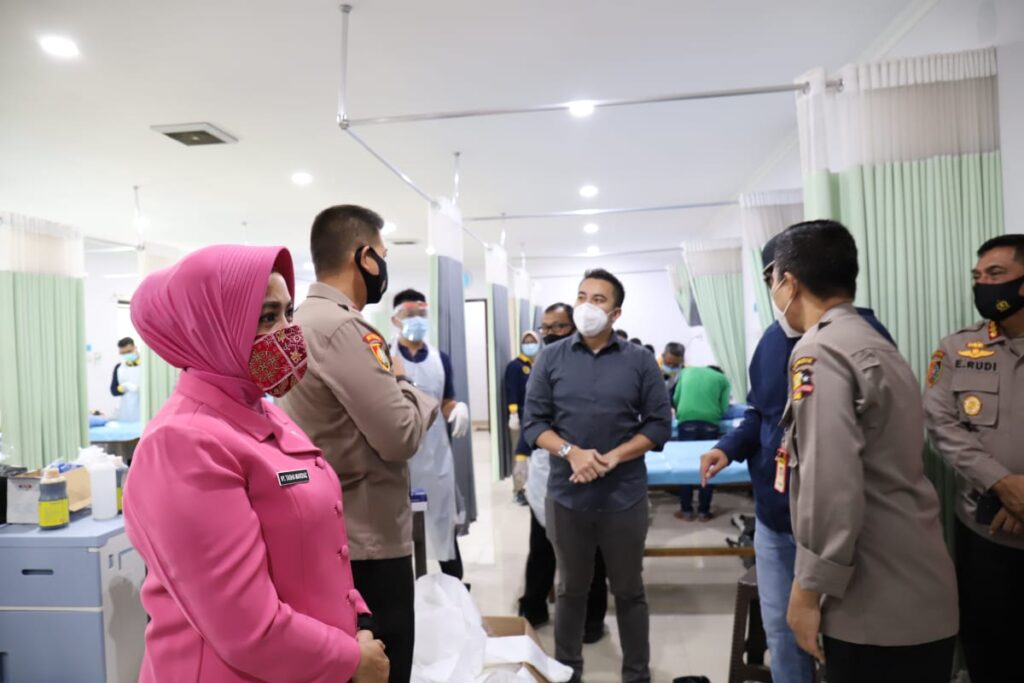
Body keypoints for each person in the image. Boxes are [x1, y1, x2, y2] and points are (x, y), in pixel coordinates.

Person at [123, 245, 388, 683]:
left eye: (288, 313)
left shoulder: (263, 413)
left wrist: (355, 621)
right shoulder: (182, 444)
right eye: (267, 317)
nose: (289, 333)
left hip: (309, 663)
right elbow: (245, 628)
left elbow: (314, 549)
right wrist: (352, 659)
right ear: (212, 329)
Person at [700, 233, 894, 683]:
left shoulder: (856, 341)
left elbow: (852, 452)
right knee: (782, 632)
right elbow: (760, 413)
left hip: (836, 526)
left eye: (772, 279)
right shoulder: (772, 342)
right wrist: (727, 448)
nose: (772, 290)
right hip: (774, 518)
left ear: (790, 279)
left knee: (843, 637)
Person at [769, 220, 957, 682]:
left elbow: (830, 481)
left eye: (773, 280)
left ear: (790, 282)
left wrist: (808, 589)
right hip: (919, 582)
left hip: (872, 597)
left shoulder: (819, 350)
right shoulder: (872, 340)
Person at [278, 205, 439, 683]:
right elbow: (400, 436)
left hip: (324, 532)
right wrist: (409, 387)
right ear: (365, 258)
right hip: (368, 541)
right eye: (383, 256)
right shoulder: (344, 328)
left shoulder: (297, 323)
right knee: (383, 667)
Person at [524, 269, 672, 683]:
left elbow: (659, 424)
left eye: (598, 299)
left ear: (616, 312)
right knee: (571, 589)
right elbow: (534, 424)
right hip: (567, 497)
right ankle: (567, 672)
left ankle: (637, 674)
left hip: (624, 497)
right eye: (582, 296)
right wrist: (571, 453)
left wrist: (614, 457)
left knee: (629, 589)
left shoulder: (639, 361)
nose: (586, 306)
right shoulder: (550, 358)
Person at [924, 233, 1024, 683]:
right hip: (985, 536)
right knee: (989, 652)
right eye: (977, 276)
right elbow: (941, 425)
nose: (983, 284)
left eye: (996, 274)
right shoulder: (956, 350)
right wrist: (1004, 484)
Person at [518, 302, 609, 644]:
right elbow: (533, 419)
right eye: (546, 328)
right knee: (541, 546)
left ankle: (591, 620)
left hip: (589, 467)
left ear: (574, 327)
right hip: (548, 465)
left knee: (590, 551)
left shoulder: (595, 365)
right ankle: (533, 608)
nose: (550, 333)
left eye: (559, 326)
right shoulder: (543, 365)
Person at [389, 288, 471, 580]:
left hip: (436, 457)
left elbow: (445, 400)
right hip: (398, 457)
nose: (417, 319)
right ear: (395, 319)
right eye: (410, 314)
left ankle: (455, 586)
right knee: (398, 530)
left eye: (421, 314)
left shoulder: (440, 359)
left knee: (442, 523)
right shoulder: (385, 356)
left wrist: (457, 409)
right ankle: (408, 593)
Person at [673, 364, 730, 522]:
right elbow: (724, 407)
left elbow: (676, 398)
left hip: (686, 420)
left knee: (685, 464)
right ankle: (704, 511)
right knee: (708, 465)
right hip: (710, 422)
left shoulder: (686, 372)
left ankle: (686, 510)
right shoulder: (722, 379)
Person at [506, 330, 540, 504]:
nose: (529, 345)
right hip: (519, 416)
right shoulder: (515, 366)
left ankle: (533, 488)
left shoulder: (538, 365)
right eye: (526, 342)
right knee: (519, 454)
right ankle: (518, 490)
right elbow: (511, 390)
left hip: (536, 417)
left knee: (534, 455)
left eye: (532, 341)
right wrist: (513, 413)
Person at [110, 336, 141, 422]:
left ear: (135, 348)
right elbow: (113, 391)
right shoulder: (119, 368)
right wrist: (122, 388)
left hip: (144, 406)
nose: (127, 355)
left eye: (129, 351)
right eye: (123, 353)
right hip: (126, 409)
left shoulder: (145, 366)